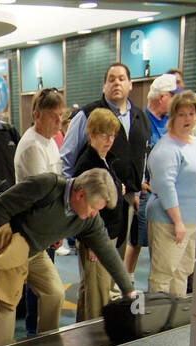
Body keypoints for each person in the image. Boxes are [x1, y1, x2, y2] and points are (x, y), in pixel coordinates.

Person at [0, 168, 135, 346]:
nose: (95, 214)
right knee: (6, 304)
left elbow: (107, 252)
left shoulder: (89, 220)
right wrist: (7, 245)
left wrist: (128, 289)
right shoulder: (46, 185)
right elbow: (1, 204)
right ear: (80, 195)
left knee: (54, 293)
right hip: (9, 249)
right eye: (94, 208)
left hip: (35, 252)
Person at [60, 62, 151, 253]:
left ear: (130, 84)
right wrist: (73, 202)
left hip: (126, 200)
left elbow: (141, 154)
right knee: (95, 268)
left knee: (115, 260)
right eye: (111, 79)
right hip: (94, 203)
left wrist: (136, 190)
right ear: (104, 86)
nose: (116, 83)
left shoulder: (139, 117)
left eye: (121, 79)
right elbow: (66, 161)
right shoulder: (86, 115)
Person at [147, 92, 196, 298]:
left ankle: (175, 320)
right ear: (172, 117)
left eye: (191, 114)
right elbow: (165, 186)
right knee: (164, 274)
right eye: (182, 114)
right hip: (170, 222)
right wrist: (178, 222)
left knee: (183, 271)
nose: (187, 119)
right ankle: (158, 324)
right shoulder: (165, 149)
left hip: (195, 221)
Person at [14, 89, 67, 329]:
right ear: (37, 115)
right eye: (53, 116)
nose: (59, 121)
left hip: (46, 226)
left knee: (42, 289)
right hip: (33, 228)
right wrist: (54, 230)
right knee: (39, 290)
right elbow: (42, 197)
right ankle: (34, 336)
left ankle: (38, 335)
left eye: (61, 115)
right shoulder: (32, 146)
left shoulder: (49, 141)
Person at [73, 108, 125, 323]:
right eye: (104, 135)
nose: (109, 140)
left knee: (91, 290)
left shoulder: (104, 159)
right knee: (97, 295)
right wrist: (94, 242)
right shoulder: (87, 163)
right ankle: (93, 345)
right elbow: (84, 208)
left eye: (112, 135)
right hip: (96, 238)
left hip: (106, 235)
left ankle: (84, 337)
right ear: (91, 134)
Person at [126, 73, 178, 276]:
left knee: (163, 239)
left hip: (166, 190)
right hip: (146, 191)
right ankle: (126, 282)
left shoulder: (169, 123)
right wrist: (138, 187)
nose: (175, 100)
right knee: (136, 239)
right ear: (161, 97)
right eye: (172, 95)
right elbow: (133, 156)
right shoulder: (140, 120)